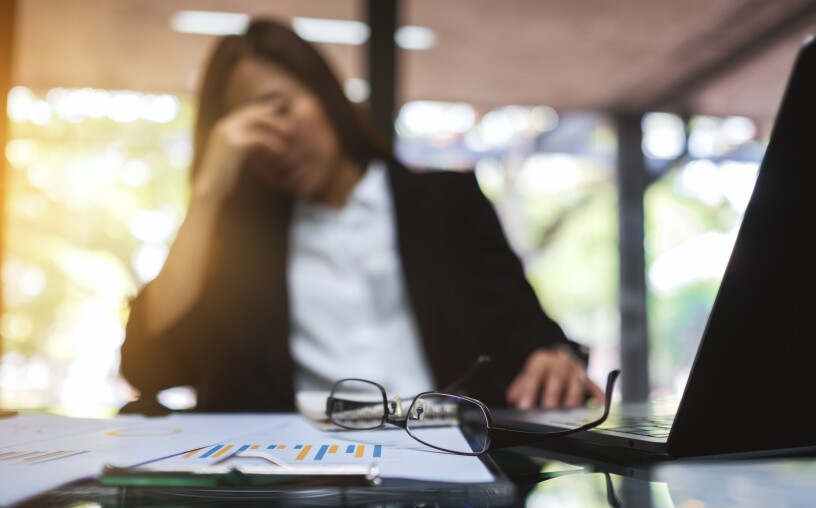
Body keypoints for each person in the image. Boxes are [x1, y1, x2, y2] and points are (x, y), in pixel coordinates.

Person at [119, 18, 604, 413]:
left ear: (325, 94)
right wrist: (206, 196)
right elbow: (149, 369)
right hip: (291, 492)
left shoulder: (447, 203)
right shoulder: (245, 245)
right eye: (248, 131)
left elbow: (525, 327)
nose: (273, 141)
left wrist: (552, 356)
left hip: (446, 491)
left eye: (278, 107)